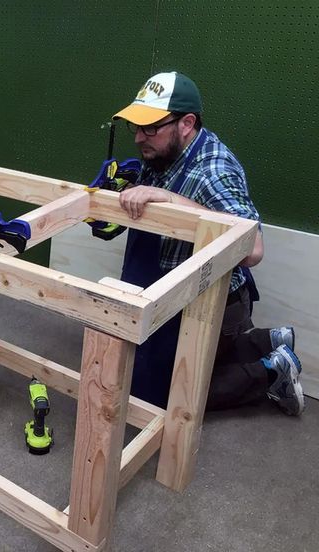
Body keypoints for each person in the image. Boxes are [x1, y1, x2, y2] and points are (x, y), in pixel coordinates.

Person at [110, 71, 304, 415]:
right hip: (175, 288)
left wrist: (168, 199)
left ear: (186, 123)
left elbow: (253, 248)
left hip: (215, 300)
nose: (139, 137)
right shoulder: (165, 149)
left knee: (162, 397)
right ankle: (266, 340)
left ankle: (272, 370)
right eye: (137, 127)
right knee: (137, 367)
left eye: (150, 127)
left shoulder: (213, 171)